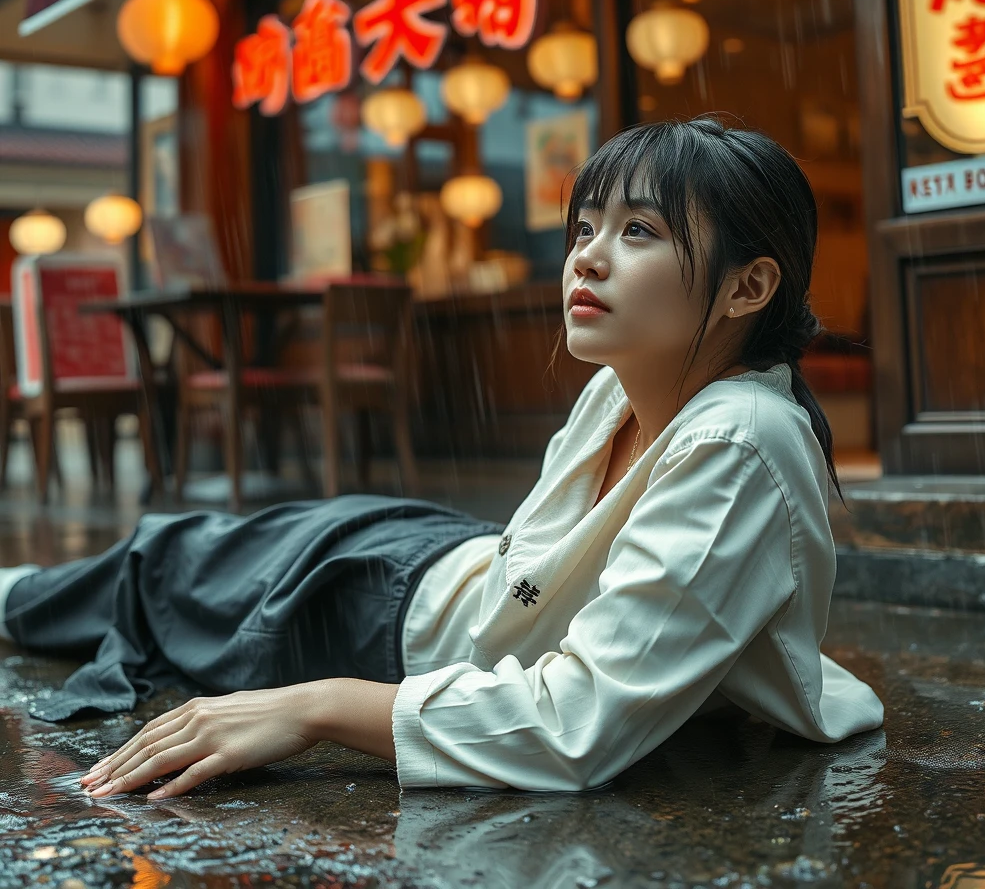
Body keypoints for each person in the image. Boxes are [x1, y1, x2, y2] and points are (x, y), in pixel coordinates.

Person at [0, 117, 884, 801]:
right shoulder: (629, 383)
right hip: (424, 565)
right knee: (173, 559)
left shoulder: (740, 437)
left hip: (386, 611)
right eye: (584, 228)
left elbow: (576, 726)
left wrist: (314, 705)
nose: (588, 258)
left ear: (749, 286)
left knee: (166, 568)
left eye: (639, 232)